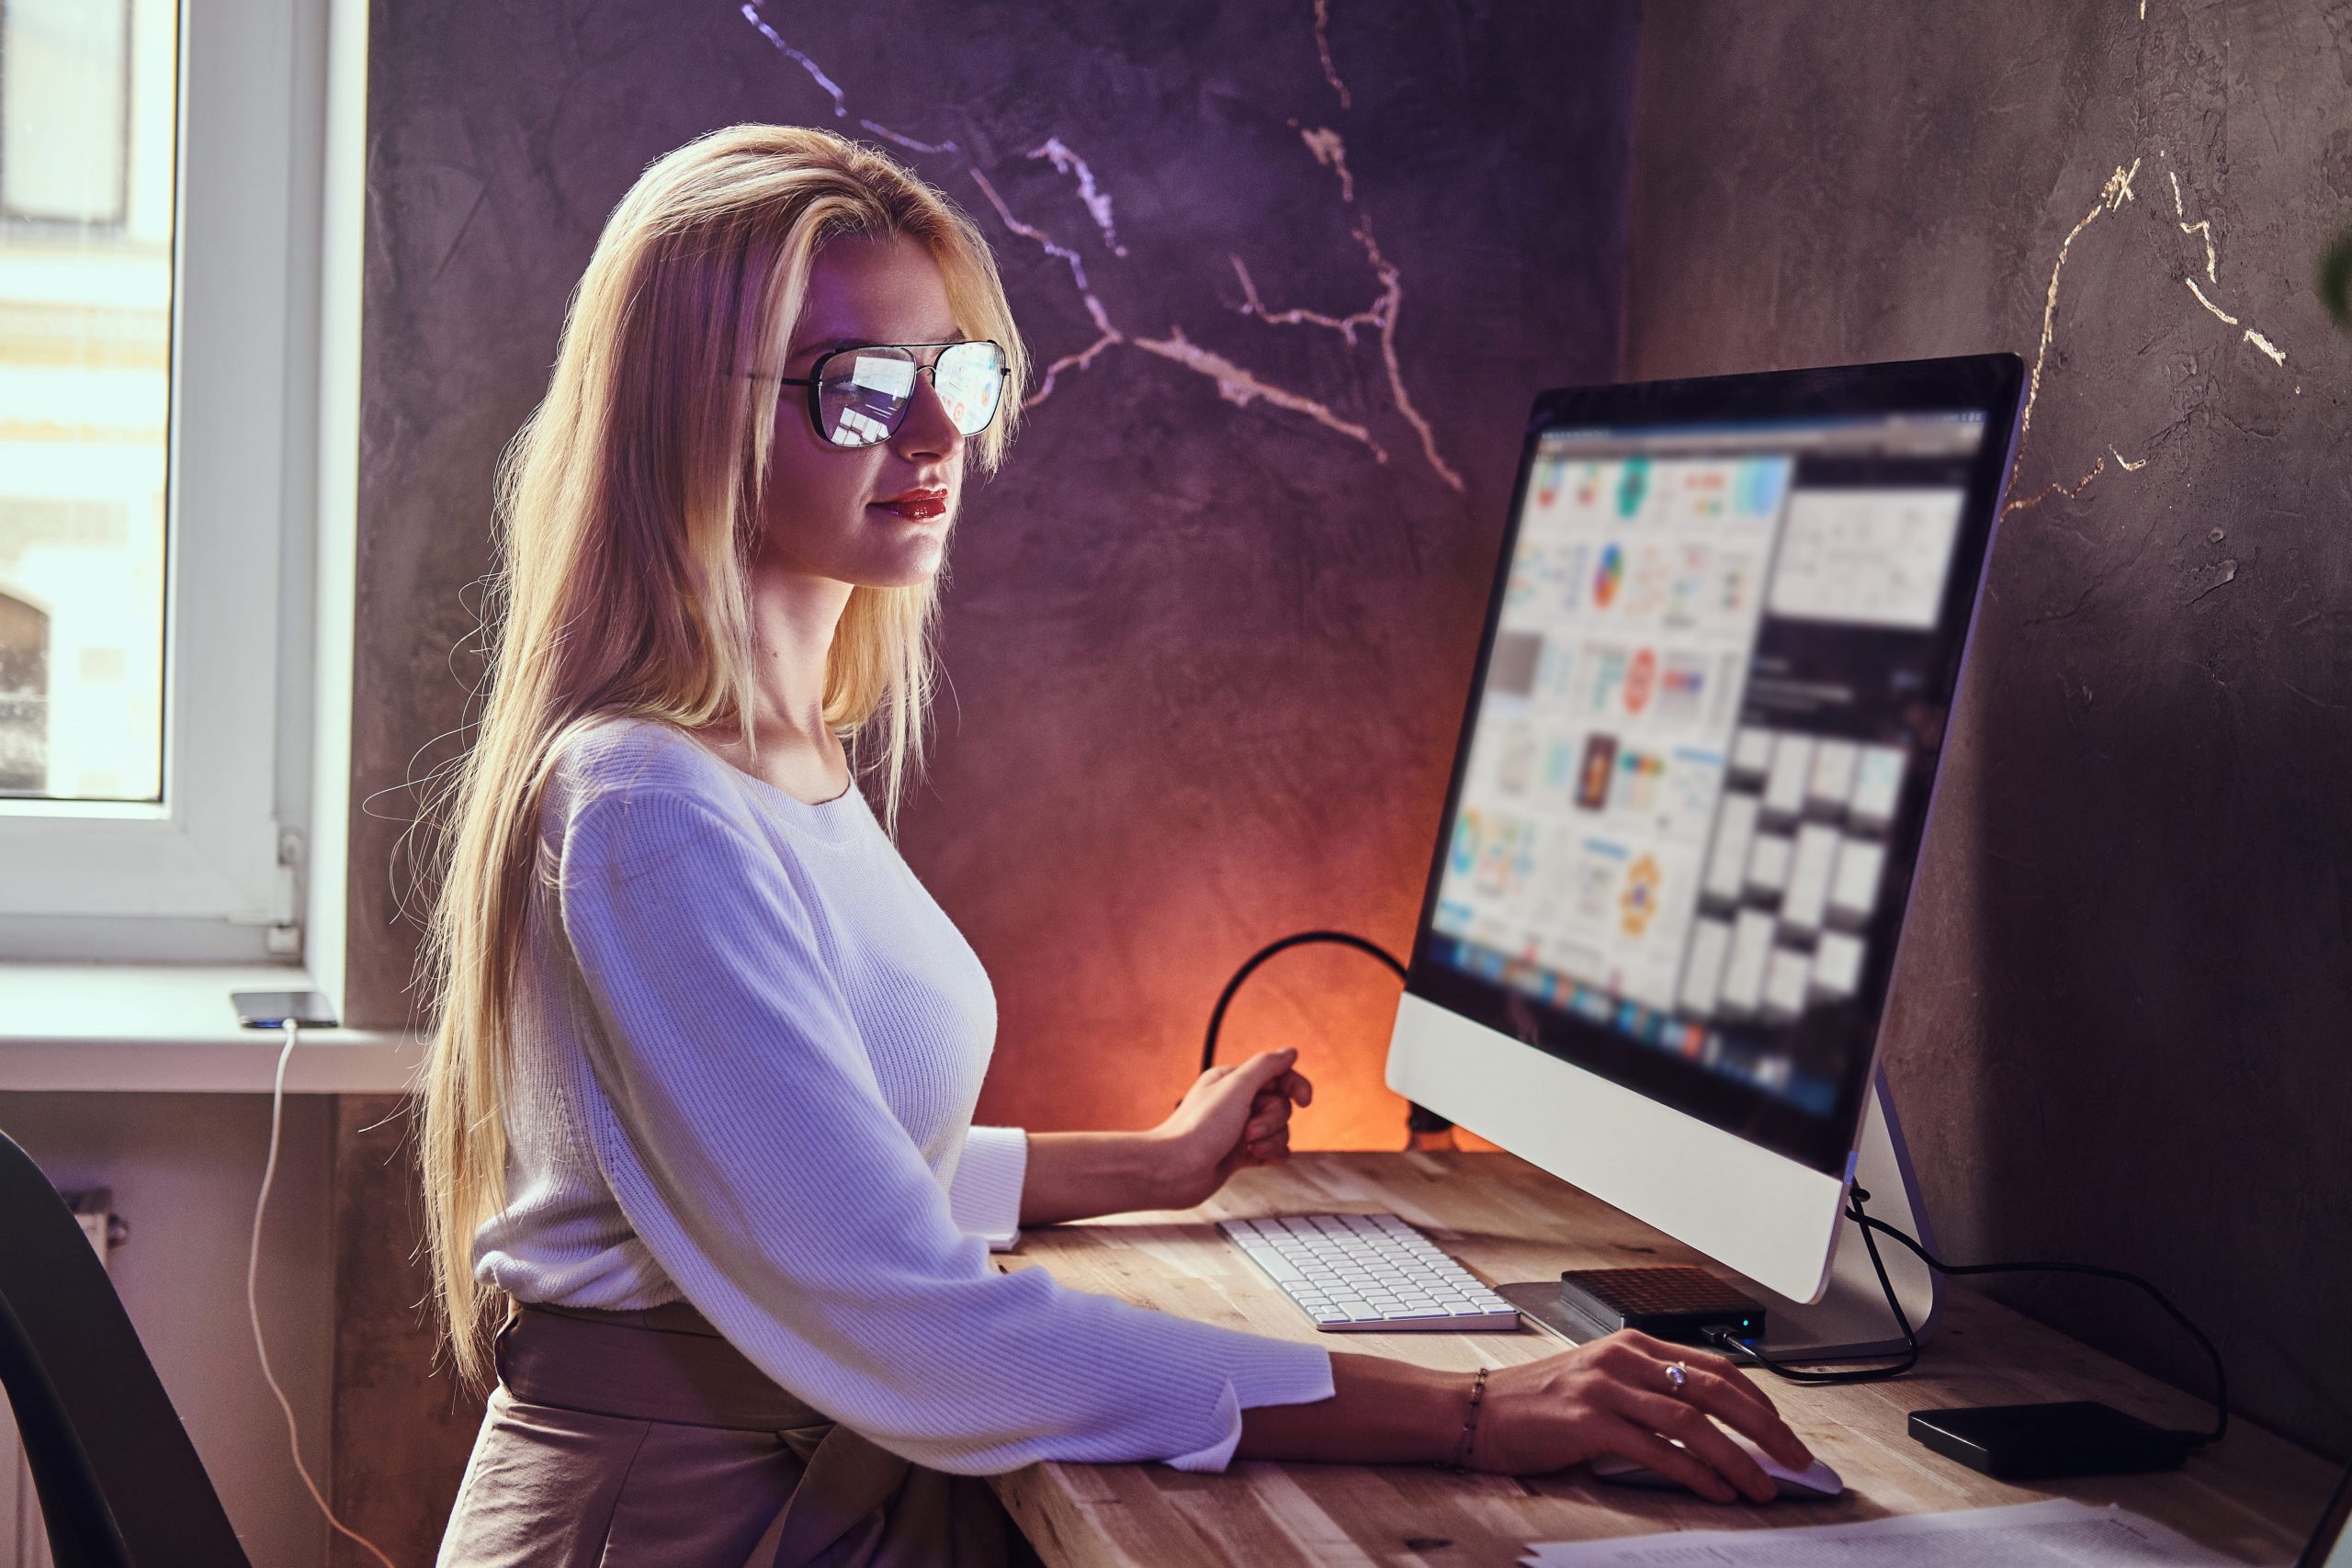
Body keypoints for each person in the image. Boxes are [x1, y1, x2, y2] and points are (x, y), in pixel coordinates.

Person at [418, 123, 1814, 1567]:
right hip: (677, 1524)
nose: (935, 436)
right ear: (678, 416)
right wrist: (1472, 1411)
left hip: (794, 1490)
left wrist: (1146, 1168)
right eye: (859, 388)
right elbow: (904, 1310)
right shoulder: (652, 809)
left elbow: (810, 1174)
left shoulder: (773, 758)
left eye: (953, 374)